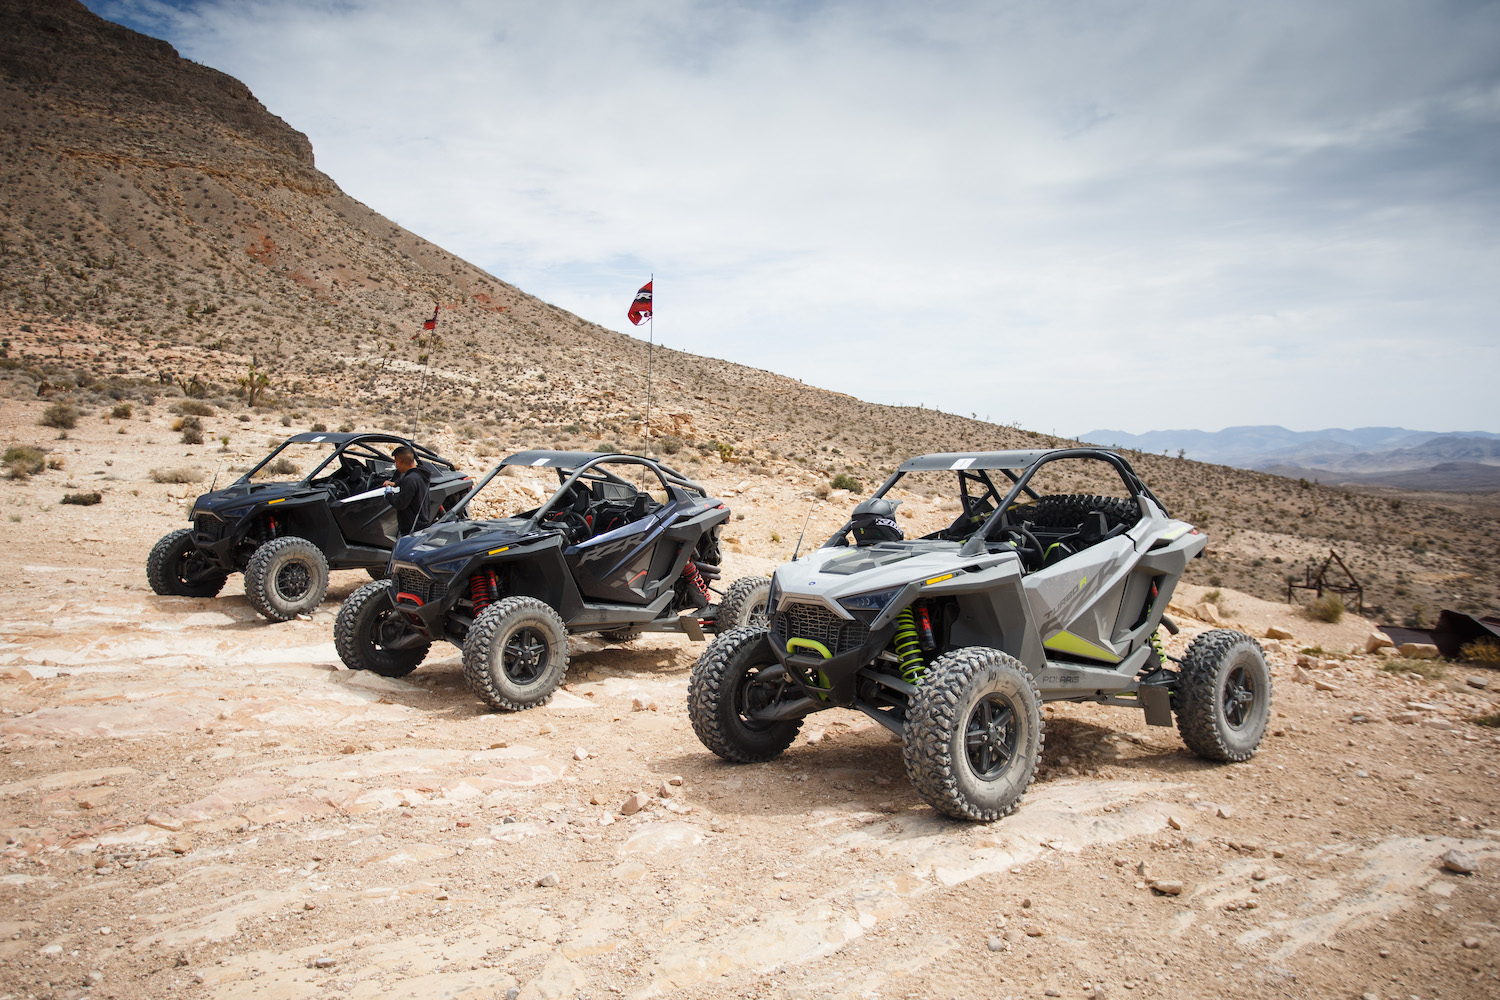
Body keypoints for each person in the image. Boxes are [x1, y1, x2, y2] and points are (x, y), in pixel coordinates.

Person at [383, 445, 431, 535]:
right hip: (422, 526)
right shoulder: (420, 474)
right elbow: (407, 480)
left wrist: (389, 495)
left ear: (400, 461)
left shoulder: (410, 480)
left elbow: (400, 504)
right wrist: (394, 483)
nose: (396, 465)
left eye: (396, 462)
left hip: (412, 531)